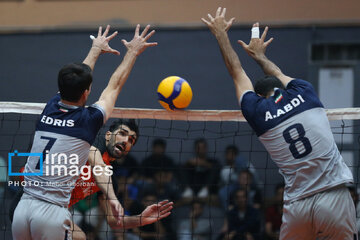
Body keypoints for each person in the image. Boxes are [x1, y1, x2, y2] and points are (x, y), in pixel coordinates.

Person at [202, 7, 357, 239]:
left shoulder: (257, 112)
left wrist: (221, 35)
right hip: (333, 194)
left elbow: (236, 72)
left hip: (297, 205)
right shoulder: (305, 92)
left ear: (260, 96)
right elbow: (279, 73)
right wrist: (260, 56)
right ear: (281, 88)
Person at [12, 24, 173, 240]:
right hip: (50, 211)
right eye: (123, 133)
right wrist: (133, 52)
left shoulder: (51, 105)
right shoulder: (89, 127)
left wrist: (95, 49)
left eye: (132, 139)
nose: (126, 141)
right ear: (107, 134)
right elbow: (114, 86)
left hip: (23, 208)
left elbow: (115, 221)